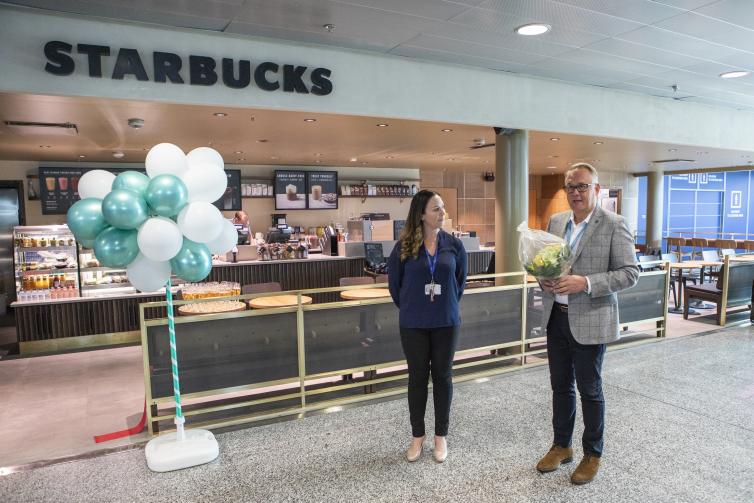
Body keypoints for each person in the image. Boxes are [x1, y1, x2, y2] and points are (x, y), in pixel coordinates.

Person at [537, 163, 639, 485]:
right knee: (560, 387)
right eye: (570, 187)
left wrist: (587, 282)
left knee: (590, 390)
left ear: (596, 189)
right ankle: (562, 445)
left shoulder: (614, 224)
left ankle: (592, 452)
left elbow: (630, 272)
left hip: (591, 320)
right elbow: (547, 264)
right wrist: (543, 279)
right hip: (557, 318)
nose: (576, 193)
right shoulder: (556, 222)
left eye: (582, 187)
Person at [387, 190, 468, 463]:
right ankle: (417, 437)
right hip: (413, 324)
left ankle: (440, 436)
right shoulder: (404, 247)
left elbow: (460, 283)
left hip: (446, 322)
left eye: (443, 207)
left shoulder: (454, 245)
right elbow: (395, 288)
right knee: (417, 378)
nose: (442, 212)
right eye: (436, 208)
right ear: (421, 214)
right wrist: (414, 308)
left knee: (443, 378)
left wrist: (443, 305)